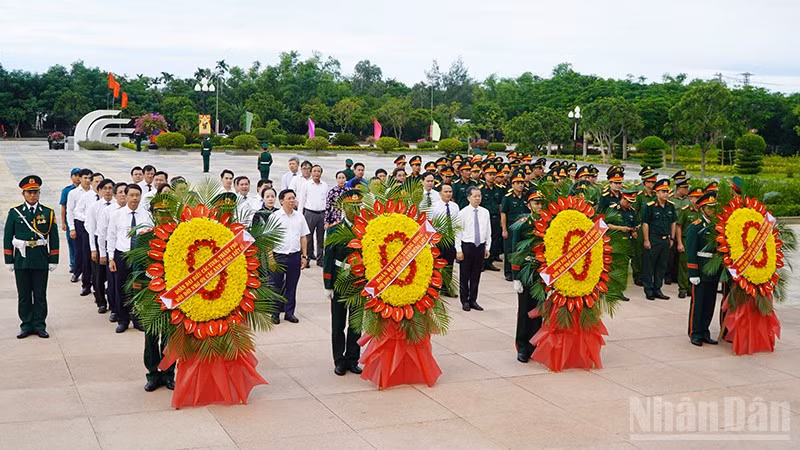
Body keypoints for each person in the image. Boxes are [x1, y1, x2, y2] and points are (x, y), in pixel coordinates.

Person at [4, 175, 59, 339]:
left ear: (39, 193)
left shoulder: (48, 213)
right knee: (24, 295)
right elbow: (7, 237)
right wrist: (9, 260)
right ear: (23, 194)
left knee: (40, 294)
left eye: (35, 192)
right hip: (21, 259)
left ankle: (40, 324)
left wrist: (53, 258)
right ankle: (26, 325)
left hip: (41, 258)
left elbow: (53, 238)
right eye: (29, 193)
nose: (32, 195)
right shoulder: (15, 213)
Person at [323, 189, 362, 376]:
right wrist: (328, 284)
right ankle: (339, 360)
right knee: (338, 324)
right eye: (350, 206)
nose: (354, 209)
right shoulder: (334, 229)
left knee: (355, 323)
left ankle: (353, 359)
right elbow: (328, 258)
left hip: (358, 281)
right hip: (340, 280)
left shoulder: (366, 228)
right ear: (344, 207)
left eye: (357, 206)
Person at [107, 184, 148, 333]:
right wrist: (111, 257)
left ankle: (138, 319)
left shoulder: (146, 215)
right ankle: (122, 320)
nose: (135, 198)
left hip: (139, 257)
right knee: (121, 288)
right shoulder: (117, 214)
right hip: (122, 255)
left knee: (138, 287)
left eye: (137, 195)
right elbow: (111, 236)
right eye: (132, 195)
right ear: (126, 195)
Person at [510, 188, 544, 362]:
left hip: (541, 272)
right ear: (529, 204)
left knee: (539, 310)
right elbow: (515, 250)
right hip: (525, 271)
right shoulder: (522, 223)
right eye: (536, 203)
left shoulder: (548, 223)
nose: (539, 206)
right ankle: (522, 346)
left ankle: (535, 344)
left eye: (541, 203)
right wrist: (516, 276)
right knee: (524, 310)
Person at [686, 192, 721, 347]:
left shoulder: (716, 226)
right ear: (702, 208)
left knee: (709, 302)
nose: (712, 210)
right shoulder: (696, 227)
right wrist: (693, 272)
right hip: (700, 269)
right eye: (709, 207)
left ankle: (705, 331)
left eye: (714, 207)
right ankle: (695, 333)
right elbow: (691, 251)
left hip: (713, 270)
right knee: (698, 303)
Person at [271, 189, 309, 324]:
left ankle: (289, 313)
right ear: (281, 201)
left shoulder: (300, 217)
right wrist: (270, 257)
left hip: (294, 256)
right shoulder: (275, 216)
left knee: (292, 286)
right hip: (278, 256)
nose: (292, 200)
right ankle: (275, 314)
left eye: (293, 198)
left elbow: (303, 237)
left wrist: (304, 256)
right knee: (276, 286)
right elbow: (269, 239)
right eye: (289, 198)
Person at [455, 186, 491, 312]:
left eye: (479, 196)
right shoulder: (463, 213)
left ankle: (473, 300)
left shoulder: (485, 212)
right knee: (465, 275)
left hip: (480, 246)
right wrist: (458, 249)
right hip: (467, 246)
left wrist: (487, 247)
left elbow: (488, 231)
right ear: (468, 197)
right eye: (475, 196)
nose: (477, 198)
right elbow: (458, 233)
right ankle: (464, 300)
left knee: (476, 275)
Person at [642, 179, 676, 301]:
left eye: (667, 191)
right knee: (649, 266)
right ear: (657, 193)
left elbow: (673, 223)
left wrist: (672, 238)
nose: (666, 194)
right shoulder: (650, 206)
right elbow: (645, 223)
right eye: (663, 191)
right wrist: (646, 240)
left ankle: (657, 289)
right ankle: (649, 290)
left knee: (661, 266)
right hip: (653, 238)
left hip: (665, 240)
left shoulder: (670, 206)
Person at [97, 182, 127, 323]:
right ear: (115, 195)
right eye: (120, 192)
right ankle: (115, 310)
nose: (123, 195)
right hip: (113, 252)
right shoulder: (109, 211)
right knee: (114, 284)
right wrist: (104, 254)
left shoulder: (132, 211)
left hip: (129, 251)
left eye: (125, 192)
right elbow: (102, 234)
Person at [86, 178, 115, 314]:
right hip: (99, 241)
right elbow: (91, 228)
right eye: (105, 188)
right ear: (100, 191)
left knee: (112, 274)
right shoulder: (94, 207)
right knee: (99, 275)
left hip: (113, 242)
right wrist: (93, 249)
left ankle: (113, 301)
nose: (108, 191)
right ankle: (101, 302)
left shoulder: (117, 205)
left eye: (110, 188)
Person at [67, 169, 97, 296]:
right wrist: (72, 228)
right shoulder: (74, 193)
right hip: (81, 225)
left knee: (92, 256)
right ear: (80, 178)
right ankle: (77, 272)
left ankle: (93, 281)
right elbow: (71, 211)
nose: (87, 180)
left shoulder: (95, 193)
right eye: (85, 177)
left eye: (89, 178)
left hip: (96, 228)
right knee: (81, 253)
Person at [606, 189, 639, 302]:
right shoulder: (613, 209)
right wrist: (620, 228)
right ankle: (610, 290)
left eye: (631, 202)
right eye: (628, 201)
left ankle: (619, 290)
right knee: (613, 266)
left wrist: (634, 231)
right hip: (615, 241)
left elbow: (635, 225)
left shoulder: (632, 211)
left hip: (626, 242)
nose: (629, 204)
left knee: (623, 267)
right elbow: (607, 225)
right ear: (623, 198)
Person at [675, 187, 704, 299]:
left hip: (700, 243)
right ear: (690, 199)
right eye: (695, 198)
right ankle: (683, 288)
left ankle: (691, 288)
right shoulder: (685, 211)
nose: (697, 200)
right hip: (687, 240)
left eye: (700, 198)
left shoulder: (703, 211)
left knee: (696, 265)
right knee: (684, 265)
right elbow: (679, 227)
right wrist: (679, 243)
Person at [297, 165, 328, 267]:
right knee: (308, 238)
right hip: (309, 213)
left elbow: (328, 203)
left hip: (321, 214)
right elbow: (302, 201)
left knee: (321, 238)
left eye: (318, 171)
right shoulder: (306, 185)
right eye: (314, 171)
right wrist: (300, 216)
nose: (316, 173)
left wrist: (327, 217)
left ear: (321, 173)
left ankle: (320, 260)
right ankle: (307, 259)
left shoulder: (325, 185)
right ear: (311, 172)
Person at [501, 171, 529, 281]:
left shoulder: (526, 196)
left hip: (523, 227)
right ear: (512, 185)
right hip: (511, 227)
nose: (520, 185)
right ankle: (508, 272)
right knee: (509, 250)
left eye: (522, 182)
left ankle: (519, 271)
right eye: (517, 183)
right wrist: (504, 230)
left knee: (521, 250)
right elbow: (503, 213)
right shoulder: (507, 197)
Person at [632, 166, 658, 286]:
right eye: (650, 182)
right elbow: (634, 212)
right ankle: (637, 275)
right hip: (640, 226)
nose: (652, 184)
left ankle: (647, 274)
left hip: (652, 227)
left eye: (654, 182)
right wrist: (634, 228)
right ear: (645, 183)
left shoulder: (655, 196)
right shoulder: (640, 196)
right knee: (638, 252)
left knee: (650, 252)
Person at [432, 183, 458, 298]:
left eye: (450, 192)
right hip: (439, 240)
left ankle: (446, 288)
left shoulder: (455, 206)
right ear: (440, 193)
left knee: (449, 264)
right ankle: (434, 288)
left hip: (451, 239)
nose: (448, 194)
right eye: (446, 191)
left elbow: (457, 223)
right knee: (437, 265)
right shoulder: (434, 206)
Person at [666, 170, 690, 286]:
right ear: (679, 188)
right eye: (685, 188)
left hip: (682, 228)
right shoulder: (671, 198)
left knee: (679, 255)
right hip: (671, 228)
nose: (687, 190)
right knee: (670, 254)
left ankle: (676, 276)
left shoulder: (688, 199)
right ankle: (668, 275)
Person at [480, 163, 503, 272]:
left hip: (495, 218)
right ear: (484, 175)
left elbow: (500, 205)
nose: (492, 176)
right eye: (490, 174)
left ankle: (489, 262)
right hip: (484, 219)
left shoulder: (499, 189)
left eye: (494, 174)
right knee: (483, 240)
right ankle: (481, 263)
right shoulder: (480, 189)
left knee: (494, 240)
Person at [60, 168, 80, 275]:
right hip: (70, 220)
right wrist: (63, 222)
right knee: (72, 244)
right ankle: (73, 265)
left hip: (82, 221)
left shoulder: (88, 191)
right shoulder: (67, 190)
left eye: (78, 175)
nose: (77, 177)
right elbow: (64, 207)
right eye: (75, 175)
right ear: (71, 177)